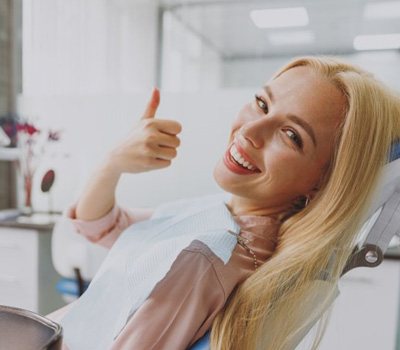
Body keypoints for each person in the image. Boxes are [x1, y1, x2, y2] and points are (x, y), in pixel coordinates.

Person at [46, 56, 400, 350]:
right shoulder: (218, 216)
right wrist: (113, 164)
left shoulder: (206, 255)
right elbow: (103, 226)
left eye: (291, 136)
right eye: (262, 103)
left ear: (324, 182)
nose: (250, 131)